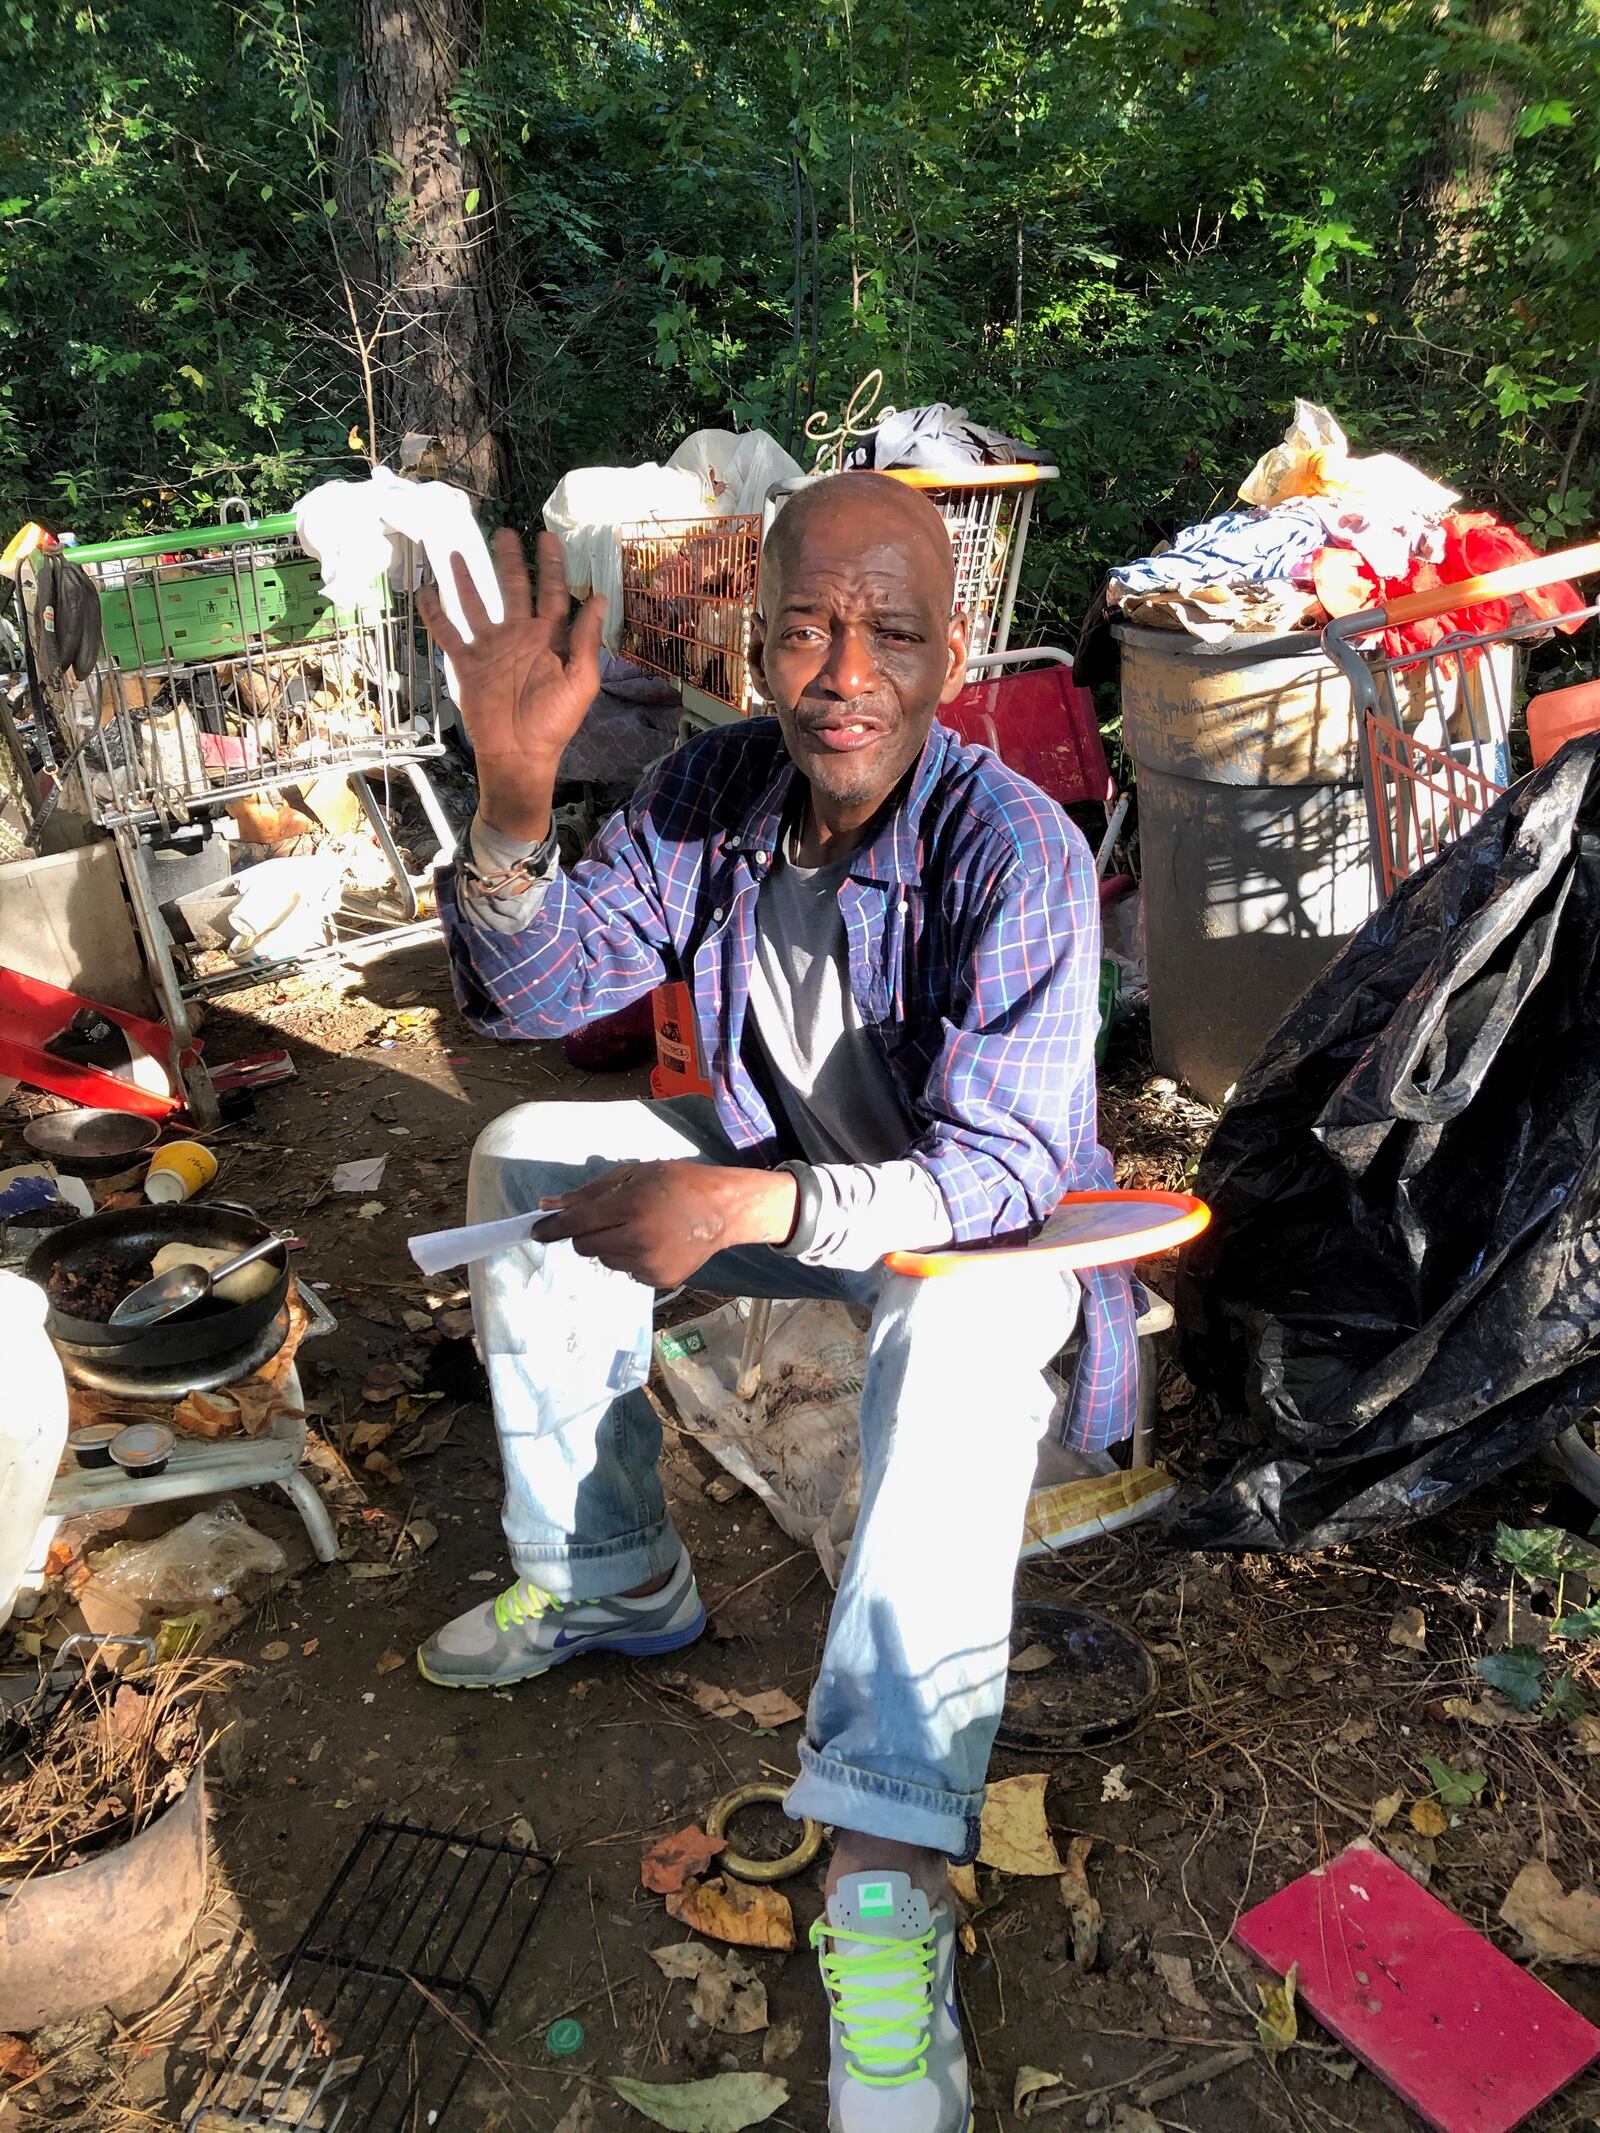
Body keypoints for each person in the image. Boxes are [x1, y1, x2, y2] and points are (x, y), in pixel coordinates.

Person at [416, 473, 1137, 2133]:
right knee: (529, 1160)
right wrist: (516, 797)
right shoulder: (713, 793)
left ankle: (884, 1863)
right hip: (792, 1182)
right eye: (808, 624)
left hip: (958, 1226)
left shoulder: (1010, 843)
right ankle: (608, 1574)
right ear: (754, 641)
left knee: (954, 1331)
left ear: (950, 653)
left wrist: (749, 1200)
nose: (845, 672)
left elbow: (1010, 1171)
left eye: (891, 630)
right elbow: (545, 990)